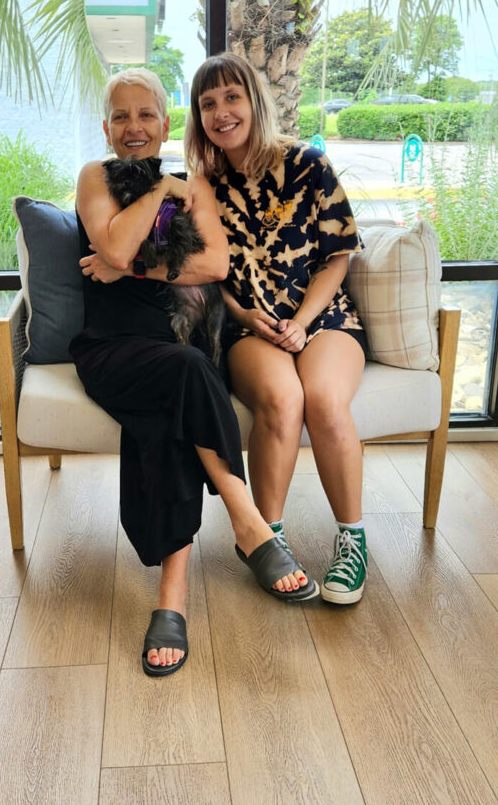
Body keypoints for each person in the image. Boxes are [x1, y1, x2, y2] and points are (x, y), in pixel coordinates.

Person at [69, 67, 320, 678]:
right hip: (111, 349)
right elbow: (116, 246)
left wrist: (127, 265)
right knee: (186, 373)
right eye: (122, 117)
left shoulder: (199, 184)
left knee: (173, 402)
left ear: (164, 122)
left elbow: (212, 265)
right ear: (107, 127)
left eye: (146, 115)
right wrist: (158, 194)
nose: (134, 128)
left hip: (175, 346)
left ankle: (172, 600)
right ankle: (246, 517)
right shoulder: (95, 178)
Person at [185, 52, 369, 604]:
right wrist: (242, 315)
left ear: (254, 100)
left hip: (325, 318)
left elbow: (340, 252)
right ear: (199, 116)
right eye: (208, 103)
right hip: (247, 328)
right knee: (283, 398)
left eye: (232, 97)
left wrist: (302, 323)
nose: (221, 112)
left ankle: (353, 540)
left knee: (325, 400)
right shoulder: (204, 185)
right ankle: (267, 539)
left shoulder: (309, 163)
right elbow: (205, 269)